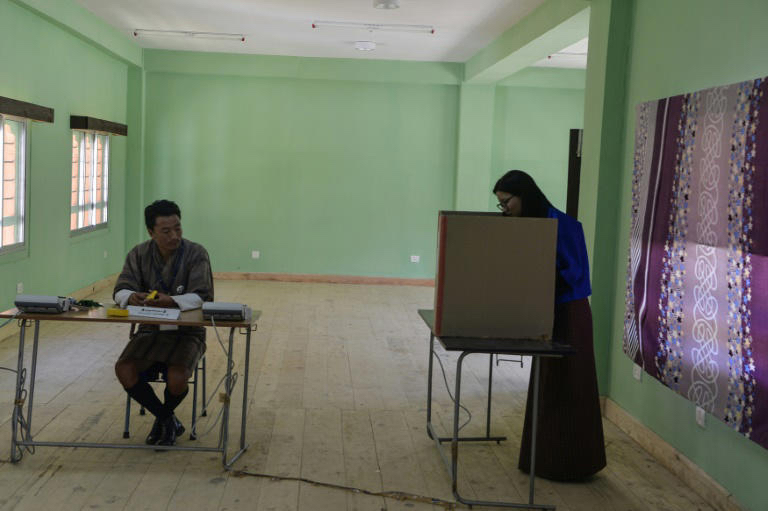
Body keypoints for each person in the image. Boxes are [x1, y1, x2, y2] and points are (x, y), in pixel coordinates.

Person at [493, 170, 606, 481]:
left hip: (569, 312)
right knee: (548, 383)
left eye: (506, 203)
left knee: (571, 384)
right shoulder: (529, 225)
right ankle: (542, 460)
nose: (505, 210)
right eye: (500, 205)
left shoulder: (564, 226)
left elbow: (572, 275)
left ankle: (572, 465)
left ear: (523, 196)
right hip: (547, 310)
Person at [113, 200, 214, 446]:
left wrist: (172, 301)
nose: (174, 236)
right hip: (150, 329)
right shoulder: (138, 254)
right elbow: (120, 290)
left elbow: (203, 296)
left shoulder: (196, 253)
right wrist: (130, 296)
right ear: (151, 232)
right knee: (124, 369)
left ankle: (163, 420)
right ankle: (167, 419)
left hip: (187, 332)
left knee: (177, 378)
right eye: (166, 231)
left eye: (178, 228)